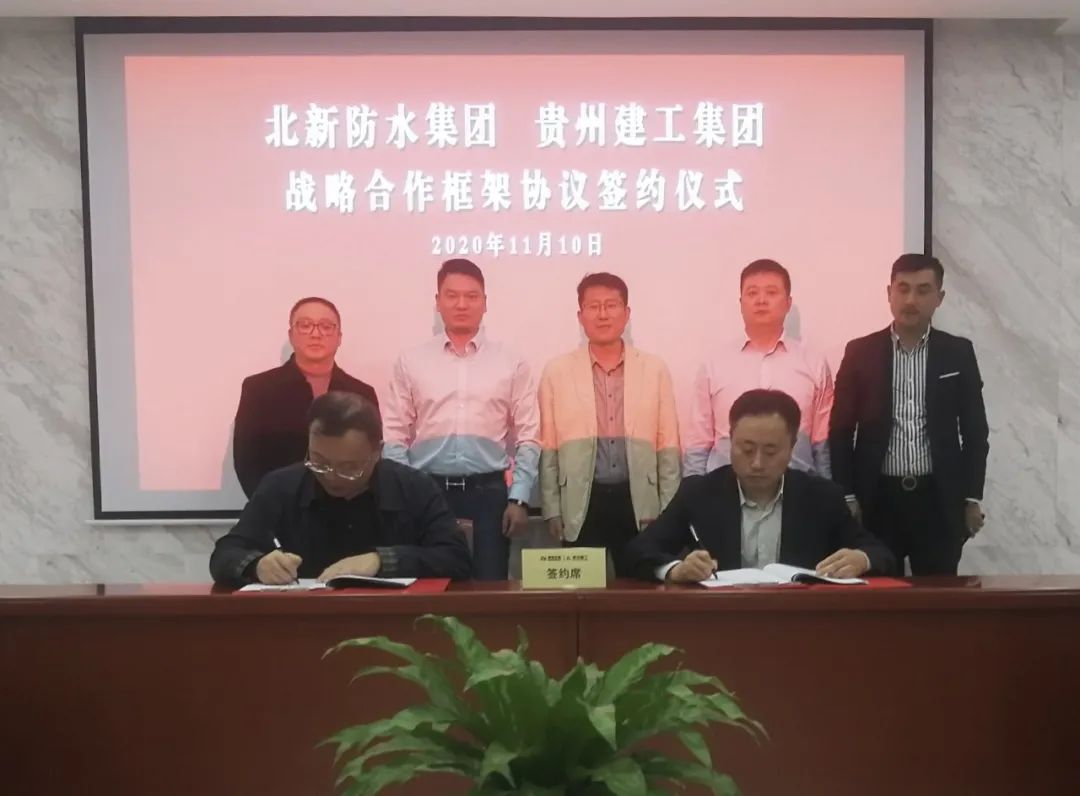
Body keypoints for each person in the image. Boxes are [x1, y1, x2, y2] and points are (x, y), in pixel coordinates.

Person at [623, 389, 894, 583]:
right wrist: (675, 570)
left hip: (800, 623)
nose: (757, 463)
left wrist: (861, 559)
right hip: (720, 621)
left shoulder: (822, 497)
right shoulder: (698, 493)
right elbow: (637, 552)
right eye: (747, 449)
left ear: (792, 447)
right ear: (731, 441)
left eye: (771, 451)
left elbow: (881, 554)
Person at [829, 253, 989, 575]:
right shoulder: (860, 352)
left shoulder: (958, 352)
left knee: (938, 595)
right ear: (889, 293)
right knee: (878, 593)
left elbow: (975, 432)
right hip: (877, 497)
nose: (911, 300)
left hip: (938, 498)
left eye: (922, 290)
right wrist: (847, 494)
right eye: (903, 289)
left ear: (939, 298)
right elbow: (841, 430)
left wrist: (972, 497)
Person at [211, 391, 471, 587]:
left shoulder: (414, 487)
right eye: (319, 462)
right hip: (303, 624)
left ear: (378, 452)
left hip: (393, 628)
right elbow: (225, 553)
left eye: (349, 467)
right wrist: (257, 565)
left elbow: (456, 558)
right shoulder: (281, 487)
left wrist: (381, 560)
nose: (331, 477)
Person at [382, 259, 539, 580]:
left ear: (485, 302)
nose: (462, 304)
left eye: (472, 296)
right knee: (429, 584)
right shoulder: (412, 360)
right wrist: (405, 492)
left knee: (488, 587)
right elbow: (395, 433)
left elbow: (529, 436)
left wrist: (520, 497)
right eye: (452, 296)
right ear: (438, 302)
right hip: (427, 492)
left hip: (489, 495)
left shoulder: (511, 361)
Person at [538, 272, 681, 573]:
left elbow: (668, 447)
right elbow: (549, 447)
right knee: (582, 592)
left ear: (626, 313)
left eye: (611, 305)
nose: (602, 314)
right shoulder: (557, 372)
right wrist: (551, 508)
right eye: (593, 306)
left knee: (641, 585)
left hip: (638, 500)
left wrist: (669, 511)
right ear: (580, 316)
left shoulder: (654, 370)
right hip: (581, 500)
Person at [684, 259, 834, 477]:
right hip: (726, 487)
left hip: (797, 486)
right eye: (752, 293)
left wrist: (827, 490)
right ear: (741, 303)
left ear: (788, 303)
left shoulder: (814, 363)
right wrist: (694, 489)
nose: (761, 300)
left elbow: (822, 444)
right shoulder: (714, 364)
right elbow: (698, 443)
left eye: (771, 292)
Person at [232, 297, 378, 497]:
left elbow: (371, 458)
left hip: (347, 507)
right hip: (279, 505)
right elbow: (246, 461)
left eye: (326, 327)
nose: (316, 334)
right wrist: (270, 505)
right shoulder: (259, 389)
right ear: (291, 335)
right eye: (305, 325)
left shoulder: (361, 392)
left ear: (339, 337)